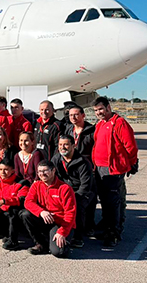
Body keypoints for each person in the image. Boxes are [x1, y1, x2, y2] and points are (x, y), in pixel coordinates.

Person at [92, 96, 138, 247]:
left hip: (113, 169)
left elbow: (130, 146)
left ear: (108, 107)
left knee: (113, 203)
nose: (98, 112)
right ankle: (107, 228)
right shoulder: (100, 124)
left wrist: (132, 163)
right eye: (96, 110)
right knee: (105, 202)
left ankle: (114, 233)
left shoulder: (119, 123)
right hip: (99, 168)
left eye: (100, 109)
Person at [21, 160, 77, 257]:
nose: (42, 174)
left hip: (60, 223)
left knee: (59, 253)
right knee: (25, 214)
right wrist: (41, 212)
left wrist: (62, 232)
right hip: (45, 219)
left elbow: (70, 212)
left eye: (45, 171)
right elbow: (28, 202)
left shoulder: (65, 188)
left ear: (53, 170)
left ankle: (64, 240)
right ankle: (41, 244)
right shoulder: (36, 185)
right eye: (39, 171)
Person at [51, 134, 95, 248]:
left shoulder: (83, 162)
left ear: (73, 146)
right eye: (60, 145)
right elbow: (52, 177)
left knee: (77, 207)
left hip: (82, 192)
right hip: (64, 191)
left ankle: (78, 237)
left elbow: (86, 185)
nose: (62, 147)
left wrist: (73, 197)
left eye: (66, 144)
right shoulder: (56, 159)